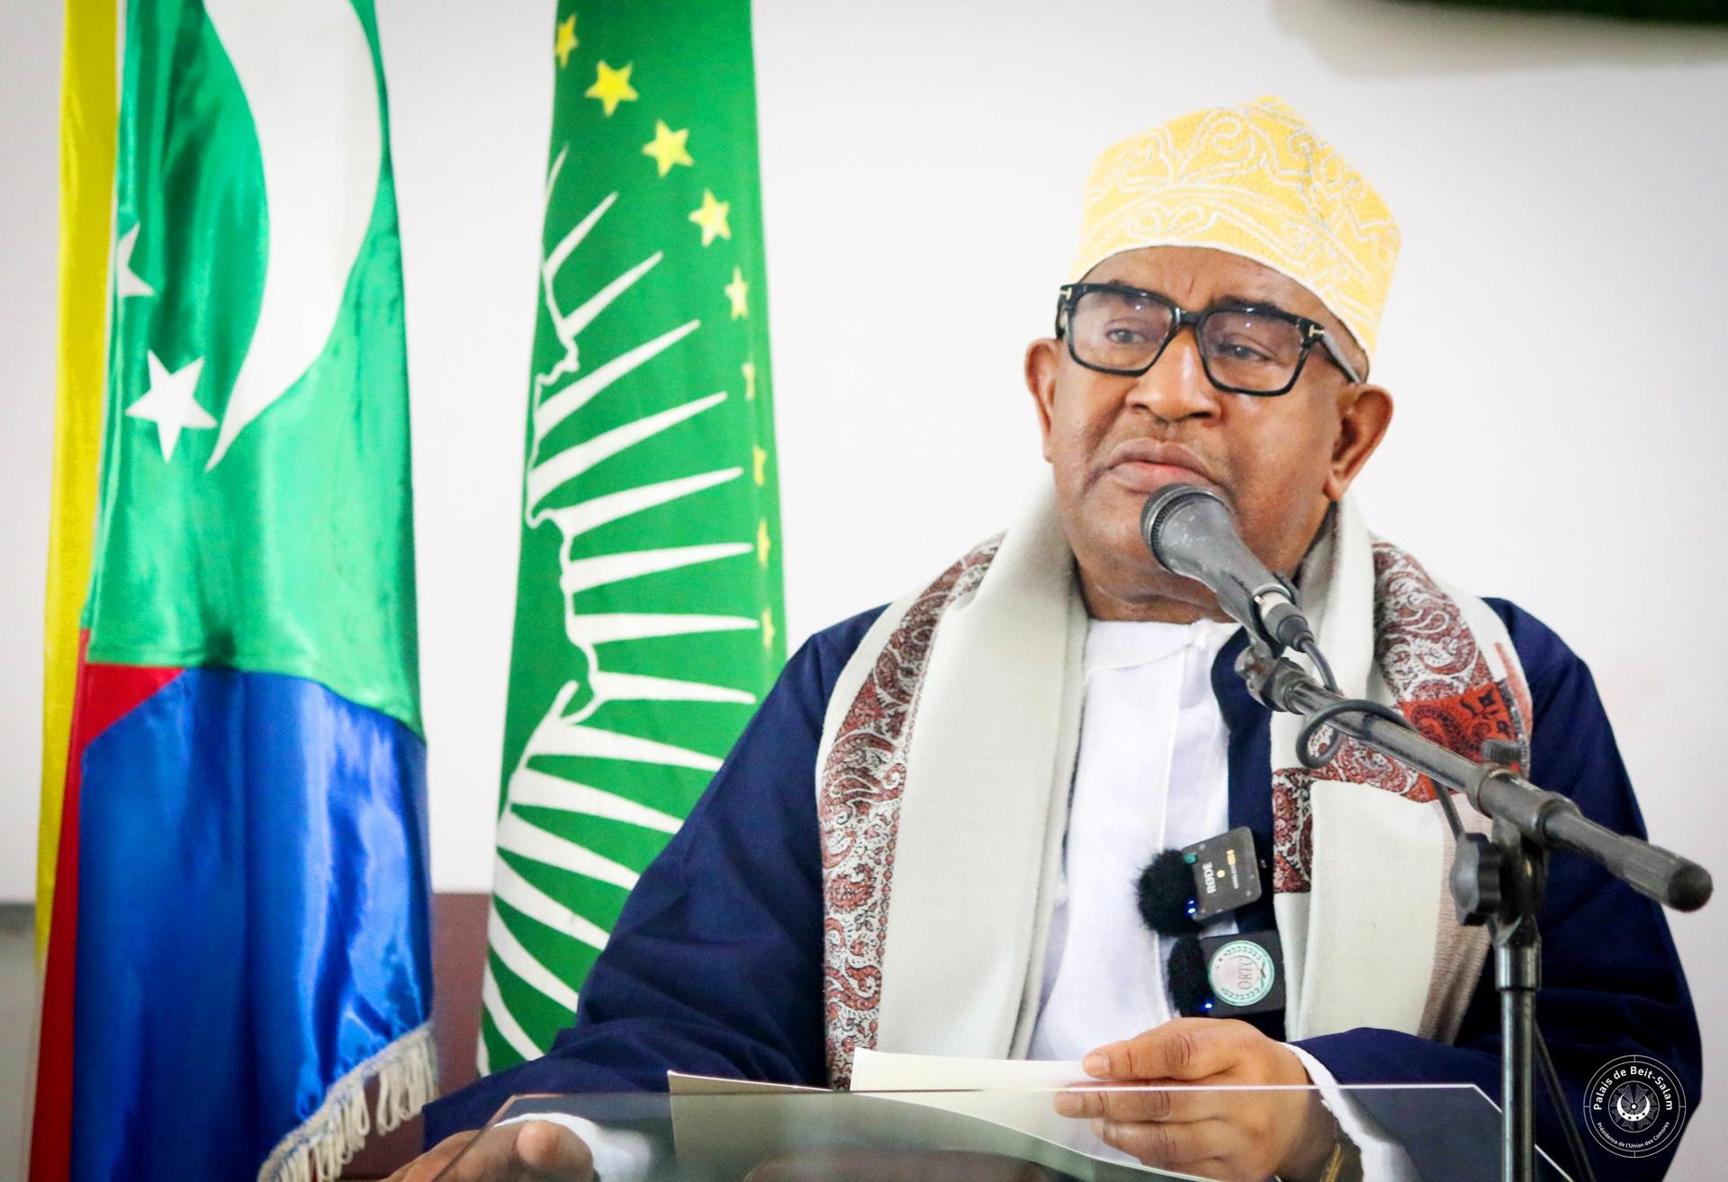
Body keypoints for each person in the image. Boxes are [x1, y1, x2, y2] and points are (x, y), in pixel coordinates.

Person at [390, 97, 1700, 1182]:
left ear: (1348, 438)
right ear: (1048, 389)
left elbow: (1621, 1084)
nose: (1168, 391)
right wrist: (572, 1143)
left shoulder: (1489, 697)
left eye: (1248, 347)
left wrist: (1324, 1113)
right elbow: (688, 1021)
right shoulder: (860, 693)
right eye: (1122, 331)